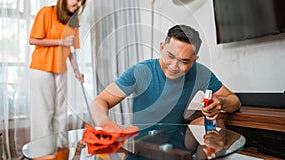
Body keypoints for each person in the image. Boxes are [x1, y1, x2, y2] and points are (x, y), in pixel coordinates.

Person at [90, 24, 241, 133]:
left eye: (184, 61)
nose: (174, 66)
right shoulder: (141, 71)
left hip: (178, 143)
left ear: (194, 60)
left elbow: (234, 101)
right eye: (170, 56)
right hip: (143, 145)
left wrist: (221, 102)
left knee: (216, 122)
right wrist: (104, 123)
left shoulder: (199, 73)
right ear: (162, 48)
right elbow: (100, 101)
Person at [29, 0, 87, 140]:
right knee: (44, 112)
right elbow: (33, 39)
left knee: (61, 112)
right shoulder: (47, 12)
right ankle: (42, 152)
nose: (79, 5)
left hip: (61, 69)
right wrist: (61, 42)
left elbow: (71, 52)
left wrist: (77, 71)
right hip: (42, 68)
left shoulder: (73, 22)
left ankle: (60, 150)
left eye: (82, 2)